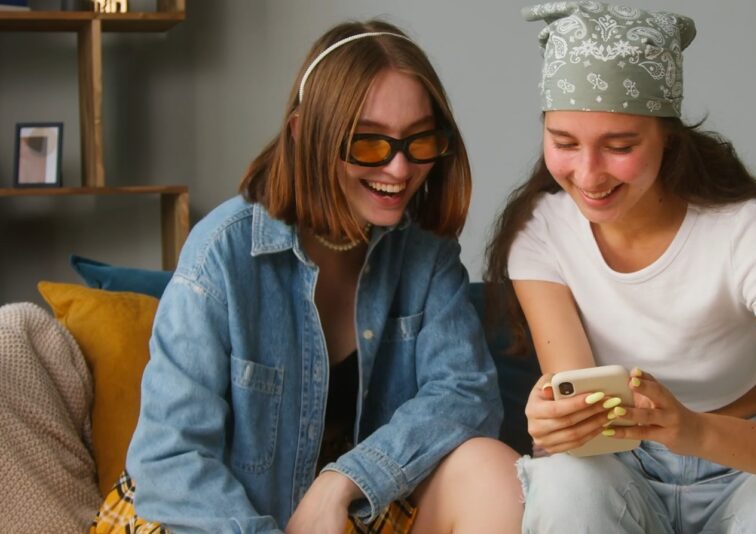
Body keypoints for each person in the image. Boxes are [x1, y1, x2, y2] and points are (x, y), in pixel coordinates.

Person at [99, 19, 523, 534]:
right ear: (304, 133)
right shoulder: (222, 251)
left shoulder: (425, 255)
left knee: (494, 470)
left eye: (420, 140)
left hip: (348, 511)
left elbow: (467, 394)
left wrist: (341, 482)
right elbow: (171, 458)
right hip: (208, 521)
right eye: (368, 143)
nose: (399, 168)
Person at [484, 3, 756, 533]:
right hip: (624, 464)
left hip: (753, 461)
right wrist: (557, 425)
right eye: (564, 143)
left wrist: (690, 429)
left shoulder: (743, 229)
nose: (588, 176)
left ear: (668, 137)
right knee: (563, 483)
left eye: (619, 146)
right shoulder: (541, 230)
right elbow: (582, 418)